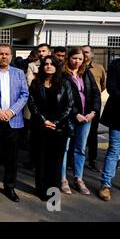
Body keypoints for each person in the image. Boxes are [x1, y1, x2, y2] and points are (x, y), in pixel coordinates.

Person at [0, 43, 29, 202]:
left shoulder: (19, 73)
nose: (4, 56)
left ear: (11, 56)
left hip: (13, 120)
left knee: (11, 157)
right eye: (0, 54)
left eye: (7, 54)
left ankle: (10, 187)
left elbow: (24, 94)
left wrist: (11, 111)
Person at [28, 55, 74, 201]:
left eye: (52, 63)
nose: (48, 66)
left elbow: (69, 105)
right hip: (41, 127)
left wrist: (56, 121)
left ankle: (53, 190)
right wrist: (43, 120)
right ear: (42, 66)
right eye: (46, 63)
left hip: (59, 128)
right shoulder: (36, 83)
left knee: (55, 161)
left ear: (56, 66)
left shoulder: (65, 83)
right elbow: (32, 104)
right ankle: (41, 189)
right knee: (41, 160)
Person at [60, 47, 100, 195]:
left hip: (86, 118)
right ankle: (63, 178)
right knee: (64, 148)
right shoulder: (62, 74)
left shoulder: (86, 73)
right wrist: (75, 113)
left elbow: (95, 94)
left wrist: (93, 112)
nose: (77, 61)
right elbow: (62, 98)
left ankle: (78, 179)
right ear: (68, 58)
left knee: (80, 149)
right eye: (74, 58)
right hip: (69, 117)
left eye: (80, 59)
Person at [98, 51, 120, 201]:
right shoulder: (117, 64)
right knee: (114, 150)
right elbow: (112, 87)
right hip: (118, 113)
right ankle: (105, 184)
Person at [82, 45, 106, 172]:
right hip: (80, 105)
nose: (84, 54)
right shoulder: (76, 67)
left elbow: (103, 86)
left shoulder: (98, 68)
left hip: (93, 106)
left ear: (92, 54)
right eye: (82, 52)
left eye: (86, 52)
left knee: (92, 135)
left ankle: (92, 160)